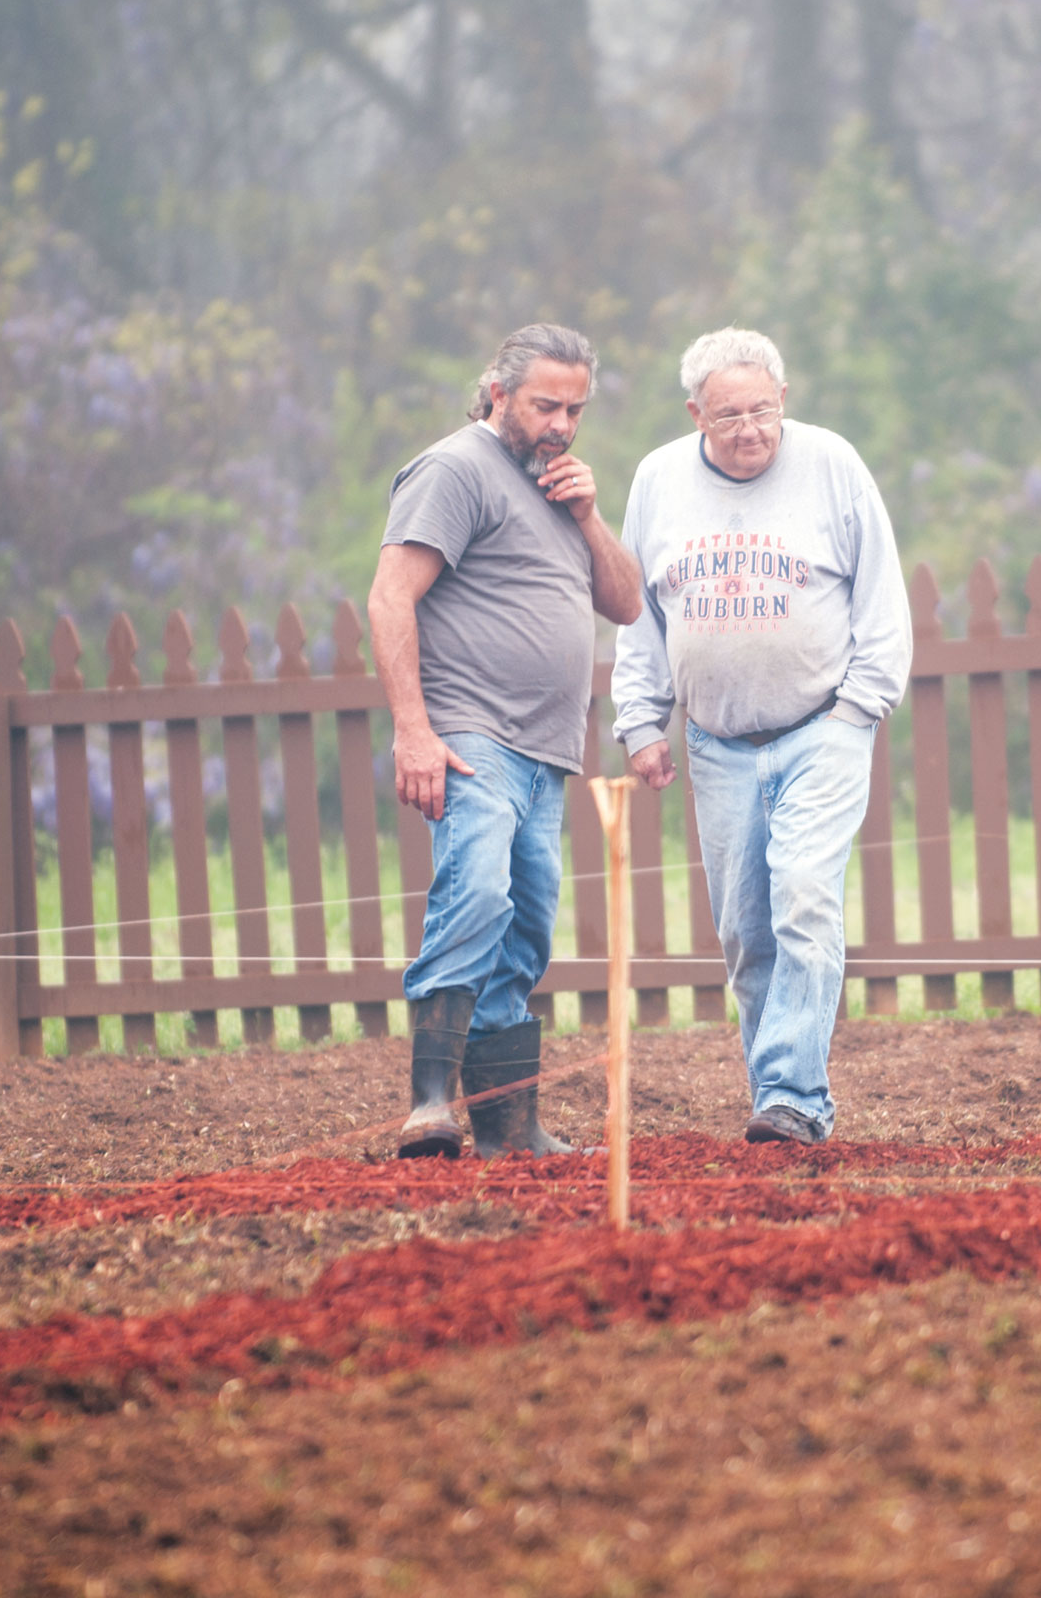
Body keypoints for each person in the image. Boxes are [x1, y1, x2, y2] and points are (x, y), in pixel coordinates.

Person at [612, 328, 911, 1145]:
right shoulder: (658, 479)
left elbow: (883, 595)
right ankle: (774, 1104)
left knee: (805, 901)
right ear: (695, 415)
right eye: (728, 416)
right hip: (716, 743)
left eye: (763, 412)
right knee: (748, 932)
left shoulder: (831, 465)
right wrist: (642, 719)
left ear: (786, 401)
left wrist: (861, 707)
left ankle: (794, 1097)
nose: (749, 430)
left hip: (822, 727)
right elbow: (640, 613)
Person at [370, 323, 643, 1158]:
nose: (562, 423)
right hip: (471, 733)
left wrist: (590, 516)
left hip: (547, 750)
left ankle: (507, 1126)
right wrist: (414, 733)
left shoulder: (557, 488)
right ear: (498, 394)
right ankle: (429, 1106)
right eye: (545, 405)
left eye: (576, 409)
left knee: (524, 927)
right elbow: (389, 599)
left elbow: (627, 603)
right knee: (477, 897)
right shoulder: (455, 469)